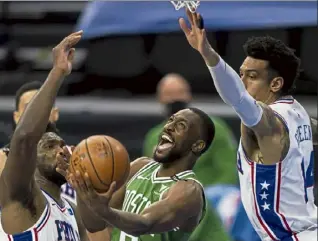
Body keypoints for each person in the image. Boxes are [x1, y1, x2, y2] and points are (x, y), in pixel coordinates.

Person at [180, 9, 317, 240]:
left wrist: (207, 53)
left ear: (275, 84)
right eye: (240, 74)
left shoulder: (269, 122)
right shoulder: (299, 113)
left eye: (251, 76)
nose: (242, 82)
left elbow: (238, 97)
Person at [57, 108, 225, 241]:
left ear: (197, 146)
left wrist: (105, 211)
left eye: (180, 125)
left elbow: (144, 224)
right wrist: (80, 183)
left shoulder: (189, 191)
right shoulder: (140, 167)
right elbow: (95, 223)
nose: (168, 126)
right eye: (171, 120)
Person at [0, 31, 89, 240]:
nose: (58, 151)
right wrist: (57, 72)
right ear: (32, 160)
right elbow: (24, 139)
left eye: (60, 146)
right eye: (48, 146)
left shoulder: (72, 213)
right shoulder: (23, 195)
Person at [143, 73, 238, 186]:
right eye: (169, 94)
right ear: (159, 98)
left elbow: (230, 170)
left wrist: (208, 197)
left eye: (180, 92)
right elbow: (150, 176)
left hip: (211, 194)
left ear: (189, 95)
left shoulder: (214, 128)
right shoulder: (154, 136)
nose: (175, 98)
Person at [0, 80, 77, 205]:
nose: (38, 114)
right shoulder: (2, 159)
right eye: (29, 108)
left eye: (44, 107)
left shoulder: (77, 157)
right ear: (16, 117)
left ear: (55, 113)